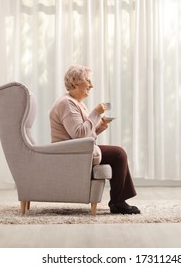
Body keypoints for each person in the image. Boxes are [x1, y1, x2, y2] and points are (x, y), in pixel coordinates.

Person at [49, 64, 140, 215]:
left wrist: (100, 127)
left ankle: (118, 201)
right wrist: (96, 113)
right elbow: (79, 134)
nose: (92, 85)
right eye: (88, 81)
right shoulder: (67, 103)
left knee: (118, 154)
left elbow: (84, 134)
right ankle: (118, 202)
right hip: (70, 152)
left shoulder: (75, 103)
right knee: (118, 154)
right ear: (75, 83)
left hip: (76, 149)